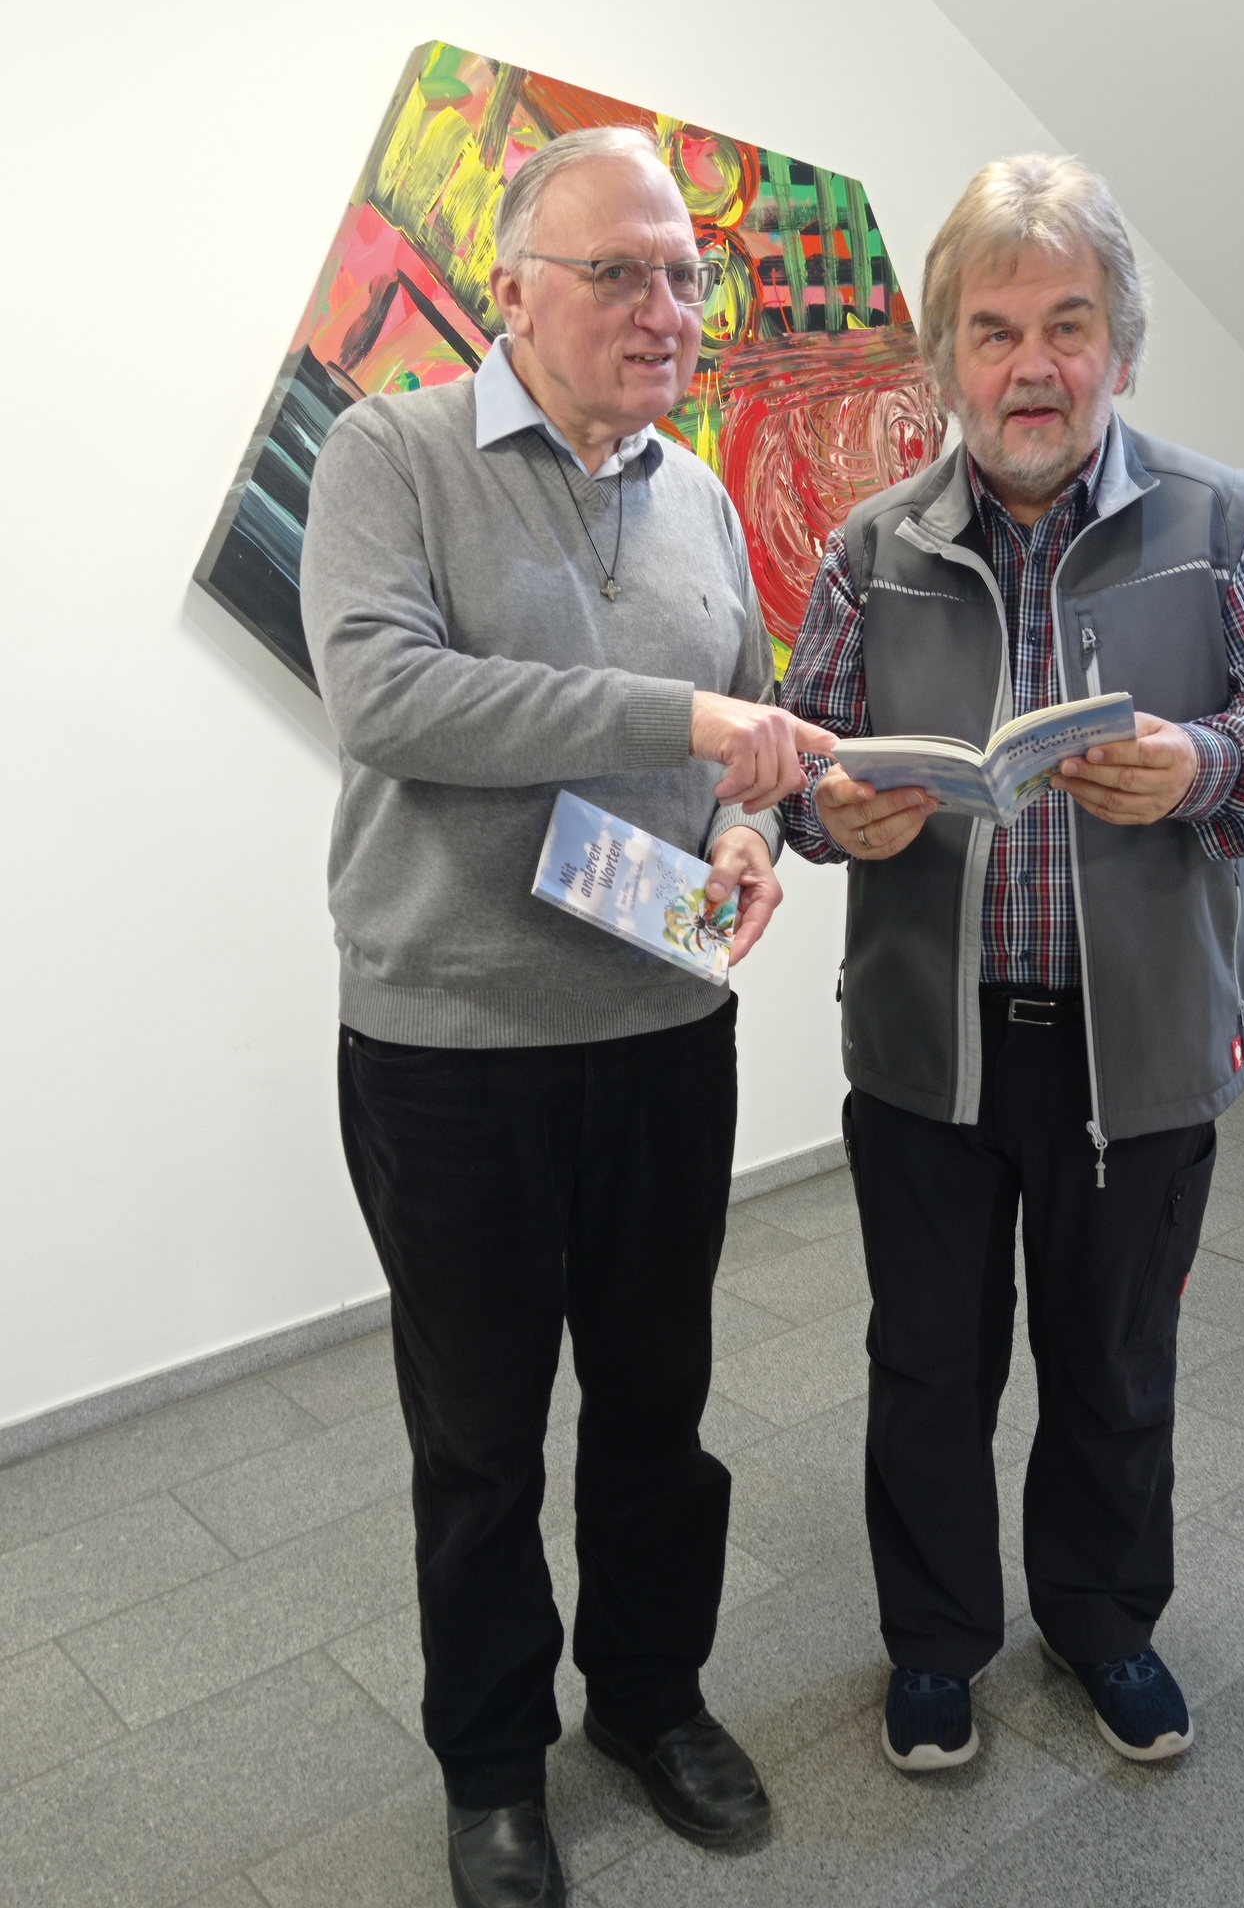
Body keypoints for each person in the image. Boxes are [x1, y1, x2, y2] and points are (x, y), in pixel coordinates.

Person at [300, 125, 836, 1908]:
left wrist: (745, 833)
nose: (664, 306)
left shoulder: (698, 495)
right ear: (514, 289)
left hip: (664, 1027)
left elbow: (745, 725)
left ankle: (651, 1700)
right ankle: (492, 1766)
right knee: (477, 1436)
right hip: (451, 1050)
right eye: (618, 272)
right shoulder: (393, 454)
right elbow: (390, 696)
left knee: (658, 1400)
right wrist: (679, 724)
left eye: (685, 272)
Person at [778, 153, 1244, 1775]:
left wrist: (1205, 763)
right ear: (944, 359)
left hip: (1137, 1048)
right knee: (926, 1367)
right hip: (930, 1048)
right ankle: (936, 1645)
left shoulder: (1222, 522)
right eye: (995, 329)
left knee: (1113, 1364)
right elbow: (799, 766)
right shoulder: (870, 548)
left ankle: (1103, 1624)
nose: (1033, 365)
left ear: (1122, 348)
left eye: (1068, 325)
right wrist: (830, 811)